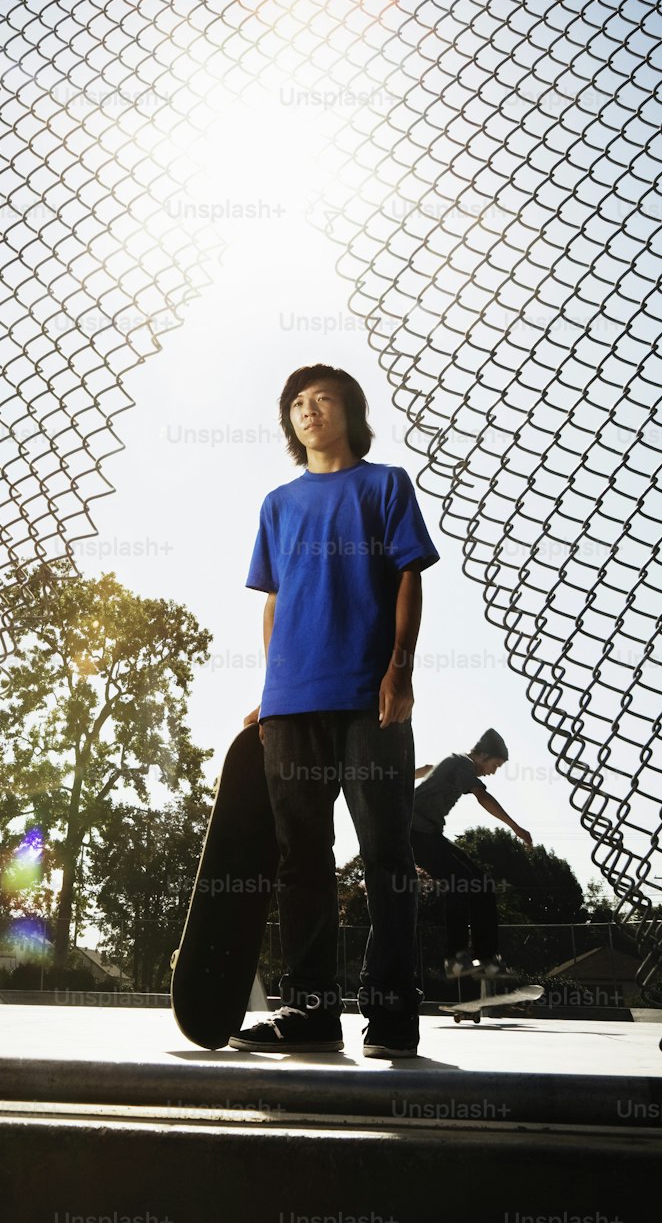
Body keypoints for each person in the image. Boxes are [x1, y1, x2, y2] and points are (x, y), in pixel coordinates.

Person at [230, 365, 439, 1058]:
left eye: (322, 399)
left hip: (367, 699)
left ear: (350, 412)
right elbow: (274, 600)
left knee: (386, 853)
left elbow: (408, 574)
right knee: (303, 861)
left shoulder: (384, 486)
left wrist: (399, 672)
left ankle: (392, 1012)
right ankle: (311, 1013)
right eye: (296, 403)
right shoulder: (277, 504)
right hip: (291, 706)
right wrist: (272, 686)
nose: (307, 410)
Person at [410, 728, 533, 978]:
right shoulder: (464, 763)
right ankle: (456, 958)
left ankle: (487, 958)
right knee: (460, 882)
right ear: (482, 755)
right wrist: (516, 828)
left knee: (481, 884)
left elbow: (429, 768)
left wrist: (412, 775)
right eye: (495, 765)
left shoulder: (453, 762)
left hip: (429, 835)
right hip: (414, 834)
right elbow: (482, 796)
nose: (494, 771)